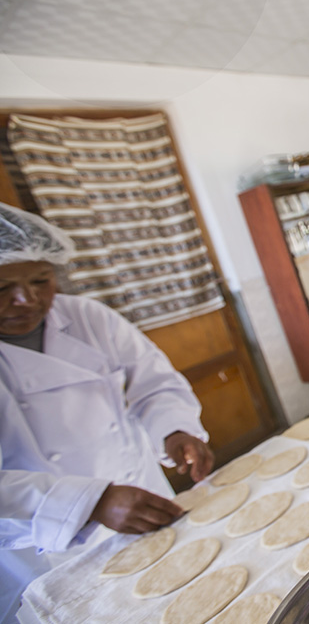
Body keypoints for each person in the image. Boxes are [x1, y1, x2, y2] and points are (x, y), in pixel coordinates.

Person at [0, 204, 214, 623]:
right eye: (1, 287)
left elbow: (154, 383)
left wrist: (174, 429)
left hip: (143, 499)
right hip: (47, 545)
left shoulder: (87, 318)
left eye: (41, 281)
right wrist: (86, 503)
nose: (26, 300)